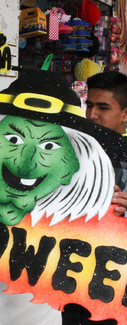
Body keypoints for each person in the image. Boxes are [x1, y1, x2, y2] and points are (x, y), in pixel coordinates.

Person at [61, 71, 127, 325]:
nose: (92, 115)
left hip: (114, 279)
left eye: (103, 107)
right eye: (89, 105)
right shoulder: (72, 150)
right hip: (69, 272)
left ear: (125, 114)